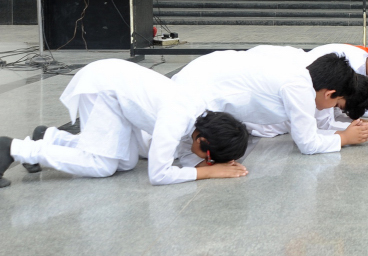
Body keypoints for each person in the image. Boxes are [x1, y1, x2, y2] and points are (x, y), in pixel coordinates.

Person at [0, 60, 249, 187]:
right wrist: (207, 172)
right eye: (208, 155)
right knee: (102, 165)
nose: (206, 161)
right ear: (203, 140)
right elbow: (158, 174)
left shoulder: (199, 120)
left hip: (116, 95)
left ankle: (51, 139)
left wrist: (213, 162)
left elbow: (185, 155)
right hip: (102, 88)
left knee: (126, 162)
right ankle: (13, 149)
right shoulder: (177, 117)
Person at [173, 50, 368, 153]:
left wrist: (343, 133)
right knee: (160, 145)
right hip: (194, 91)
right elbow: (307, 143)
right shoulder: (300, 89)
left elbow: (305, 130)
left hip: (203, 74)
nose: (332, 110)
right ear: (329, 93)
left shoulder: (301, 77)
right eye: (337, 105)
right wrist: (345, 138)